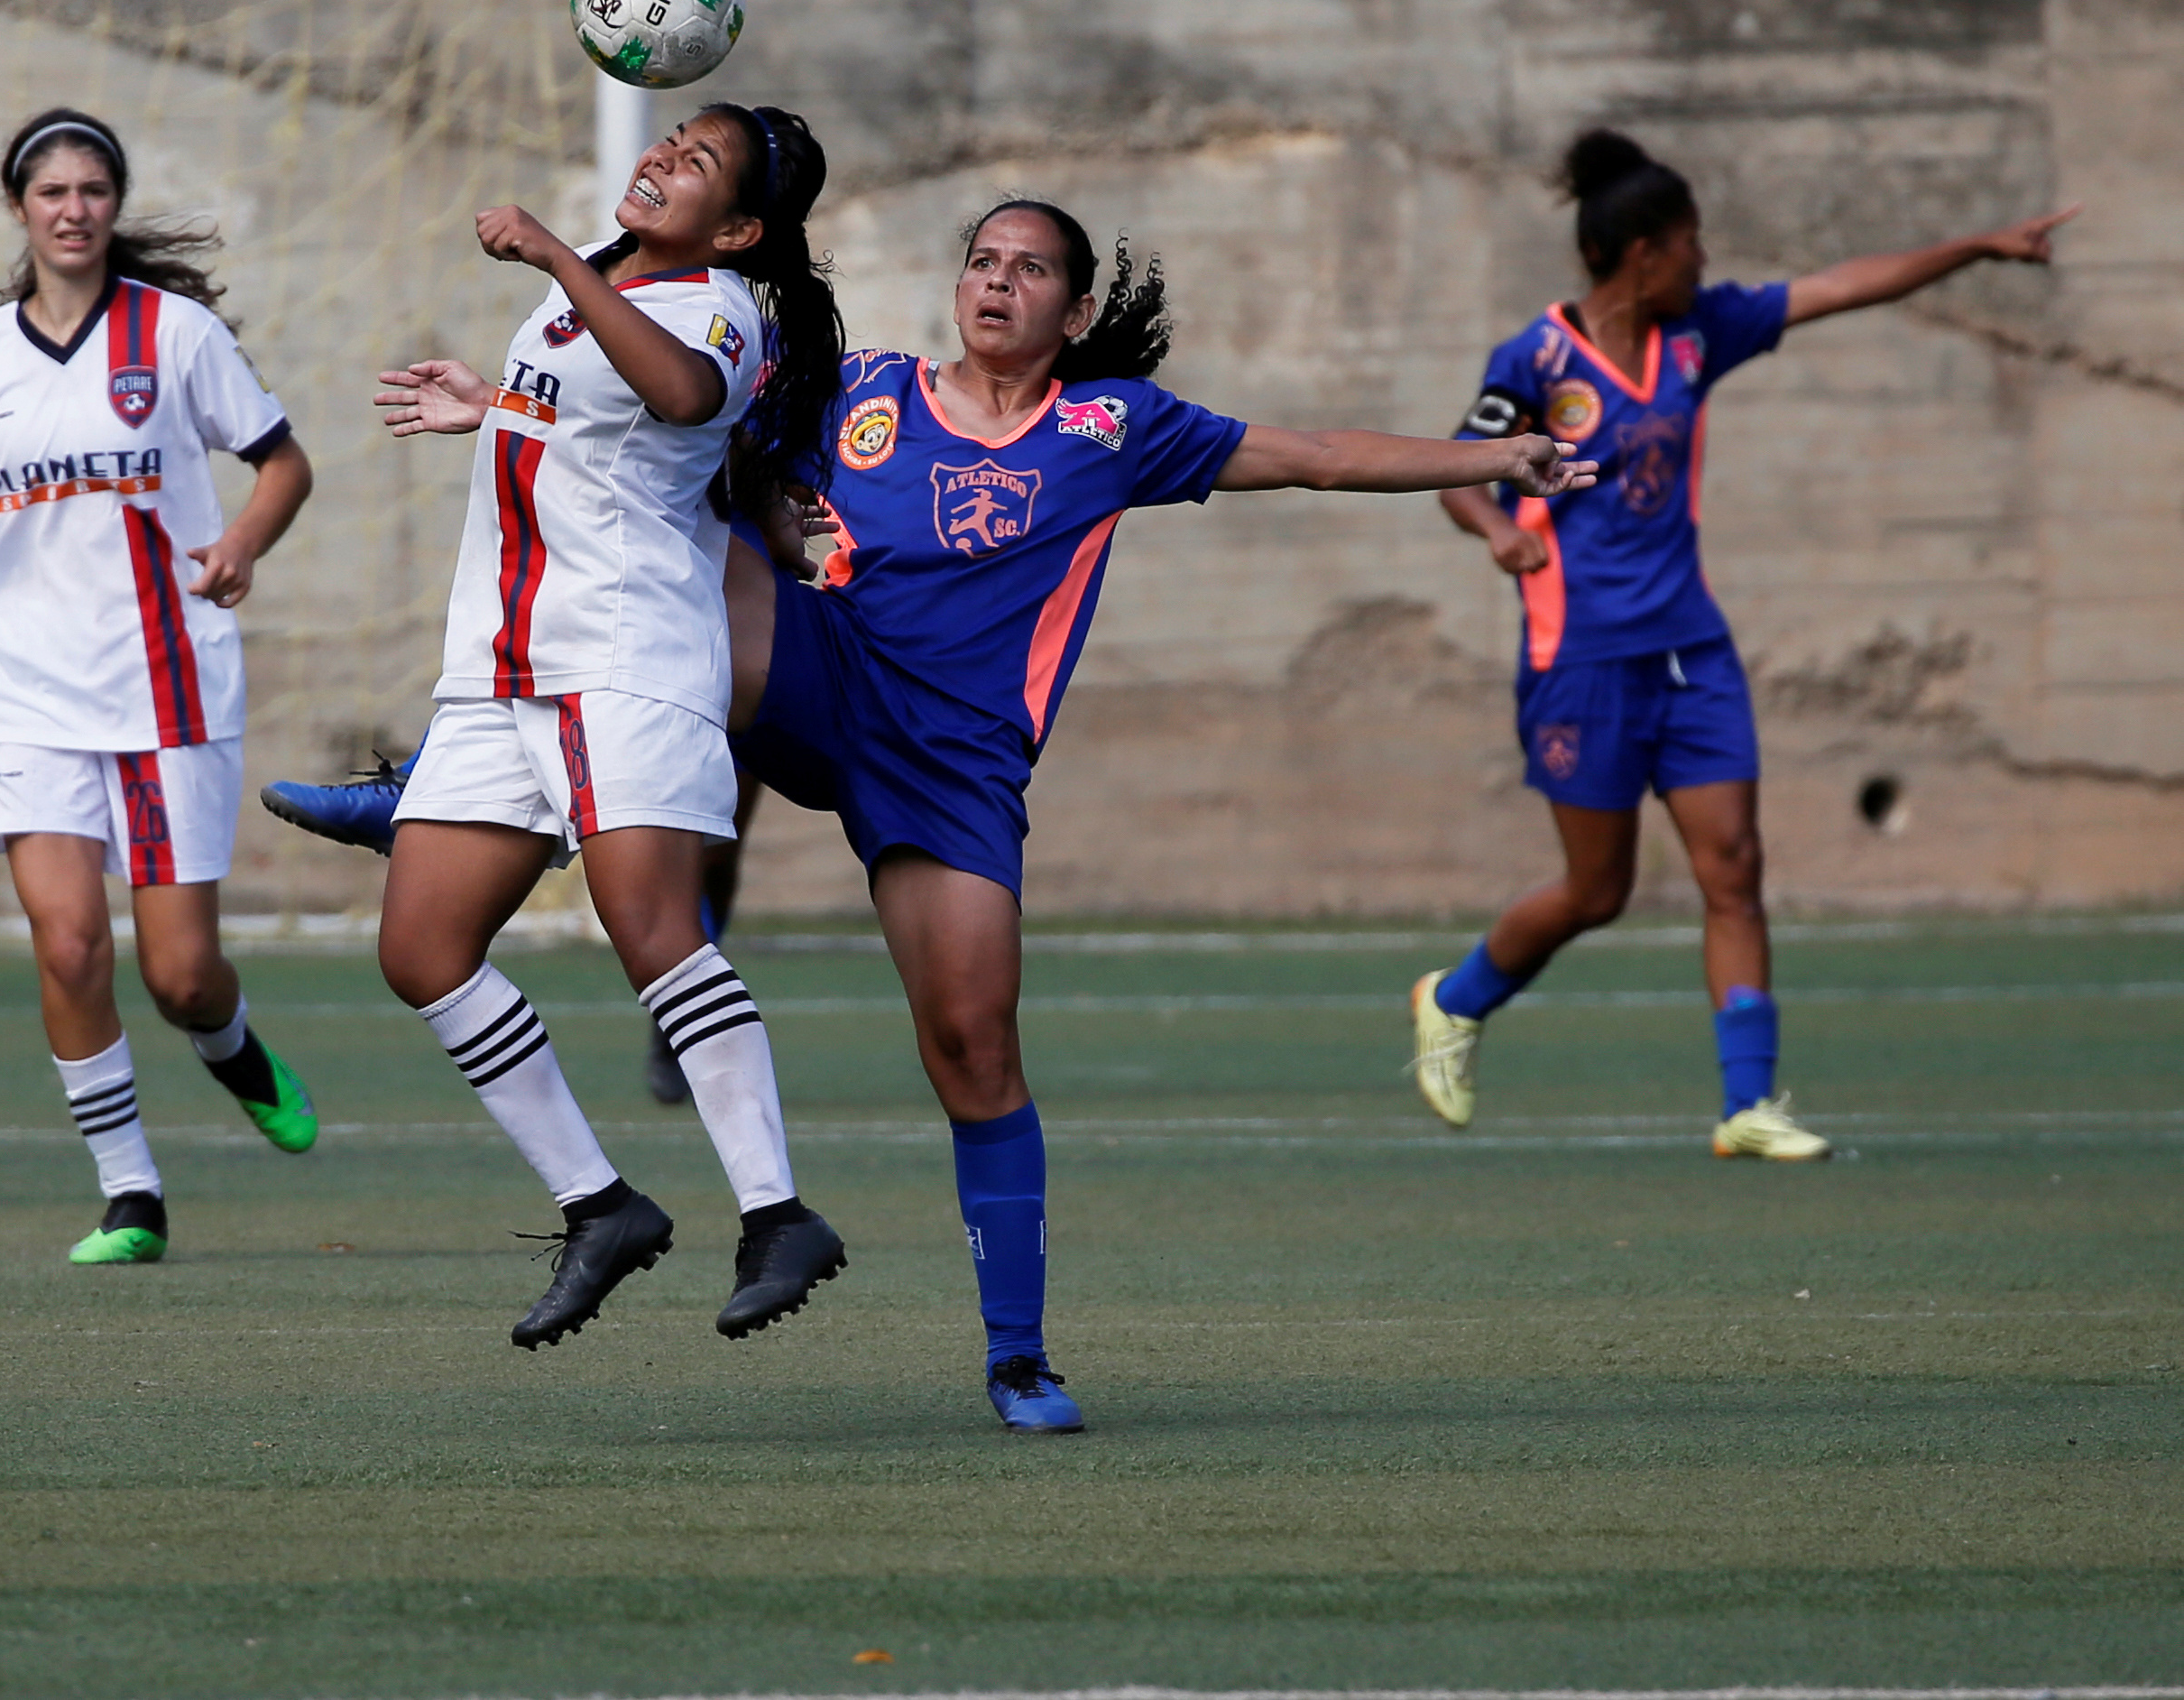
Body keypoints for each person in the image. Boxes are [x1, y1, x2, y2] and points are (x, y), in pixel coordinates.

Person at [270, 197, 1591, 1429]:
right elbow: (678, 436)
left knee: (970, 1048)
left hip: (950, 760)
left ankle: (1015, 1352)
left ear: (1071, 311)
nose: (994, 280)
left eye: (1026, 268)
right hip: (813, 672)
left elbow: (1308, 455)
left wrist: (1499, 455)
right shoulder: (866, 390)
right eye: (980, 259)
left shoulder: (1109, 427)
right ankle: (448, 781)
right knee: (711, 541)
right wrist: (502, 406)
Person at [1413, 129, 2070, 1160]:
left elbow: (1844, 286)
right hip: (1580, 657)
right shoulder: (1535, 358)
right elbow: (1457, 468)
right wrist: (1498, 530)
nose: (1704, 259)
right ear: (1643, 251)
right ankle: (1455, 999)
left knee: (1735, 867)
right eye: (1690, 242)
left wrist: (1978, 244)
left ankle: (1747, 1103)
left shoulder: (1699, 335)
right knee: (1598, 892)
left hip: (1693, 652)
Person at [364, 104, 851, 1350]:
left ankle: (776, 1210)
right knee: (421, 946)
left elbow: (683, 397)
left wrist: (555, 257)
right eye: (668, 141)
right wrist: (495, 404)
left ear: (737, 228)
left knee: (650, 933)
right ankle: (599, 1204)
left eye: (694, 165)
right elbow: (612, 430)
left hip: (618, 661)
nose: (659, 159)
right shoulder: (604, 286)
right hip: (499, 664)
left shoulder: (714, 304)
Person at [0, 108, 321, 1267]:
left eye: (94, 189)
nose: (75, 209)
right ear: (20, 209)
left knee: (180, 972)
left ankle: (232, 1047)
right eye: (53, 192)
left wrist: (241, 542)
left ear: (113, 202)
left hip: (167, 683)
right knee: (68, 944)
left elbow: (284, 464)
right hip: (21, 682)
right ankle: (129, 1191)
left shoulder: (176, 334)